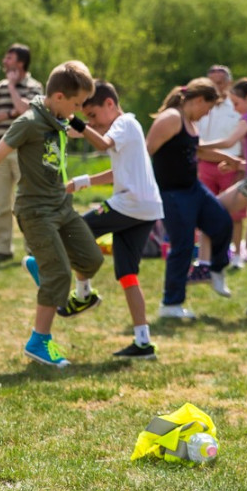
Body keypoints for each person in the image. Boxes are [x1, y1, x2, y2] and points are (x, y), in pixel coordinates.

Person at [0, 61, 102, 368]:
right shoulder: (28, 122)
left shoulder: (59, 118)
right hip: (36, 211)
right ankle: (39, 341)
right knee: (59, 275)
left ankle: (43, 269)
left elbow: (86, 133)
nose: (79, 111)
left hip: (62, 207)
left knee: (91, 259)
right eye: (77, 104)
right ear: (60, 97)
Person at [51, 80, 164, 359]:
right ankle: (143, 341)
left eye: (93, 115)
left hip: (131, 204)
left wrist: (74, 119)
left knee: (75, 232)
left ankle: (83, 294)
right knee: (127, 274)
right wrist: (80, 182)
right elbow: (117, 173)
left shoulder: (124, 124)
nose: (92, 122)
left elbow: (101, 143)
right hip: (146, 209)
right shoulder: (126, 129)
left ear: (110, 104)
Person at [146, 78, 232, 319]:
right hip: (172, 192)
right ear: (198, 100)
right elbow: (146, 151)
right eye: (208, 108)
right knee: (182, 246)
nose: (207, 114)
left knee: (222, 222)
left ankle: (214, 269)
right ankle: (170, 304)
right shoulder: (171, 118)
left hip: (193, 188)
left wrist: (231, 160)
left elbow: (198, 150)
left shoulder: (188, 121)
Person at [199, 75, 247, 315]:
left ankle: (206, 265)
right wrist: (238, 165)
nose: (235, 109)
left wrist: (197, 144)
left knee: (210, 210)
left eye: (236, 103)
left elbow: (228, 141)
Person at [0, 43, 44, 263]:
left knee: (27, 201)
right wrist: (9, 113)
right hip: (0, 149)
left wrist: (13, 87)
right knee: (2, 204)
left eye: (9, 58)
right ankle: (2, 249)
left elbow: (28, 112)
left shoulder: (35, 86)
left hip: (24, 150)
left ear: (21, 63)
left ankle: (32, 249)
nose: (4, 61)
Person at [195, 65, 246, 274]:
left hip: (231, 164)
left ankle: (237, 254)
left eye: (220, 82)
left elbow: (242, 139)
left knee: (236, 213)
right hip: (205, 163)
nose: (217, 86)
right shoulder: (201, 106)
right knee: (204, 211)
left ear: (228, 83)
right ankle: (206, 257)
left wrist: (240, 165)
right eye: (213, 82)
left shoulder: (235, 107)